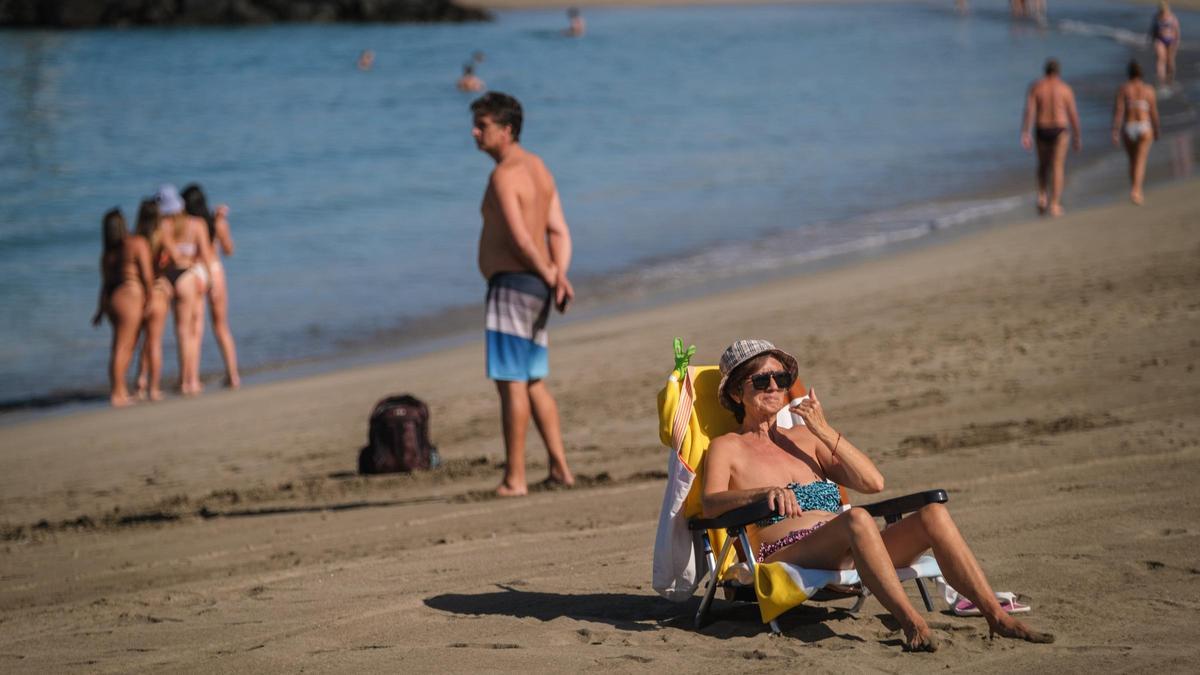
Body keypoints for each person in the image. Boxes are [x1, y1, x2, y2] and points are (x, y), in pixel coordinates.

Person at [702, 340, 1055, 652]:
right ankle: (913, 624)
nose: (774, 386)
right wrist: (763, 493)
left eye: (781, 379)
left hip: (854, 546)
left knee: (933, 514)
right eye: (761, 380)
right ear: (736, 393)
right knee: (856, 518)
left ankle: (996, 617)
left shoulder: (806, 439)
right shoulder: (727, 447)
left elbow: (873, 482)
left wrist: (823, 430)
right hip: (789, 553)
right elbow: (710, 502)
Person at [471, 91, 576, 497]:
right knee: (533, 379)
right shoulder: (538, 167)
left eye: (483, 125)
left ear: (507, 130)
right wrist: (558, 276)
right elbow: (559, 231)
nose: (475, 132)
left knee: (510, 381)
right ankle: (560, 467)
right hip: (537, 287)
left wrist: (552, 274)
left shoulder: (504, 175)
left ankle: (515, 478)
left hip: (513, 285)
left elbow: (520, 239)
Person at [156, 184, 215, 396]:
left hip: (169, 278)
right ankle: (192, 380)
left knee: (181, 331)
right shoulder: (196, 224)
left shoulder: (162, 226)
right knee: (194, 330)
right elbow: (206, 256)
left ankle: (183, 380)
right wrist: (208, 280)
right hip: (190, 277)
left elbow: (165, 256)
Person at [91, 208, 153, 407]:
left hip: (112, 299)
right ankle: (118, 393)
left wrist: (100, 310)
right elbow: (147, 275)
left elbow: (105, 284)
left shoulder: (108, 253)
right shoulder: (136, 243)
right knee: (123, 347)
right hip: (129, 295)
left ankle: (120, 389)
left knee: (121, 346)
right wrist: (150, 298)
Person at [183, 184, 240, 388]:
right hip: (214, 270)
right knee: (221, 326)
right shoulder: (216, 222)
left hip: (195, 272)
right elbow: (229, 250)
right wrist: (221, 225)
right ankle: (233, 375)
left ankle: (191, 379)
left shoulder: (187, 224)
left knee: (195, 329)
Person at [1020, 59, 1081, 217]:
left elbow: (1029, 111)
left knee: (1042, 165)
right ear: (1058, 72)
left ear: (1045, 71)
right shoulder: (1065, 88)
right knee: (1057, 166)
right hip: (1060, 129)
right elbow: (1073, 114)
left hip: (1042, 128)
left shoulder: (1036, 87)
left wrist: (1025, 132)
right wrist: (1077, 136)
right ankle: (1054, 204)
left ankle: (1042, 196)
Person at [133, 199, 172, 401]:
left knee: (140, 341)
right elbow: (175, 257)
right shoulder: (161, 236)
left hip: (137, 293)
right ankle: (153, 388)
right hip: (156, 290)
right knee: (154, 342)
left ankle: (140, 381)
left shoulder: (133, 239)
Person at [1112, 60, 1160, 205]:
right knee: (1140, 160)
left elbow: (1119, 111)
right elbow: (1153, 112)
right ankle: (1136, 190)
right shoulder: (1148, 90)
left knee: (1132, 160)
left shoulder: (1124, 89)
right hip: (1144, 126)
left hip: (1129, 126)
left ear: (1129, 73)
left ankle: (1135, 188)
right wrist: (1156, 129)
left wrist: (1115, 131)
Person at [1150, 2, 1181, 86]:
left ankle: (1170, 78)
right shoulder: (1157, 17)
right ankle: (1160, 79)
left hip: (1171, 40)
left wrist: (1177, 41)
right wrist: (1152, 40)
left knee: (1170, 60)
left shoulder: (1172, 17)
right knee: (1160, 59)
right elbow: (1153, 29)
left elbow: (1177, 30)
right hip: (1160, 40)